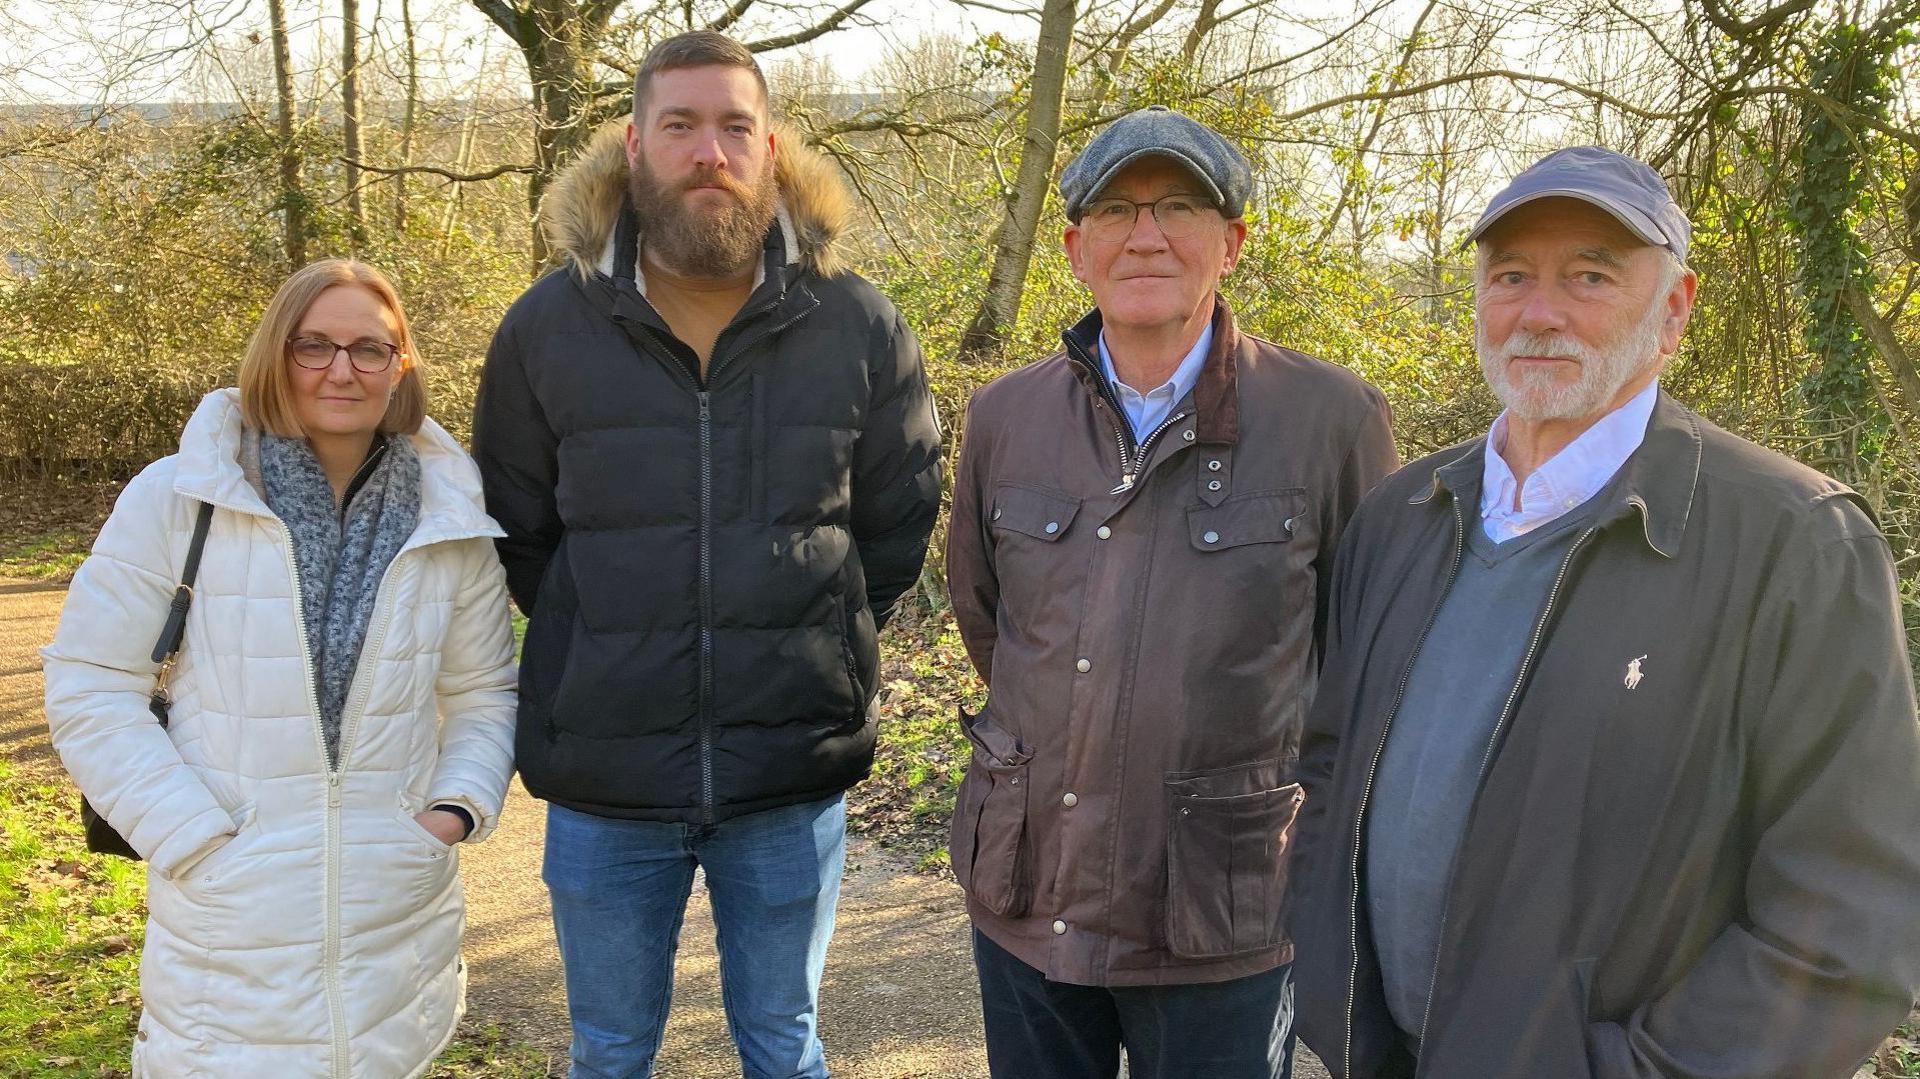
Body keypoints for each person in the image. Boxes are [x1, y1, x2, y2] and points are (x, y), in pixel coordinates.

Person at [1289, 146, 1920, 1078]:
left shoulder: (1796, 544)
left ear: (1673, 310)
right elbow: (1331, 762)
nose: (1539, 312)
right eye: (1511, 275)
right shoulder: (1403, 513)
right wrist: (1321, 969)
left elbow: (1851, 918)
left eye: (1589, 275)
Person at [470, 30, 941, 1079]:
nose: (709, 151)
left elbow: (896, 521)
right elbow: (519, 528)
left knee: (785, 1044)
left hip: (788, 768)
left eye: (734, 126)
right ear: (633, 146)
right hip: (605, 771)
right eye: (680, 125)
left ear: (772, 148)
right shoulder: (546, 327)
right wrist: (616, 631)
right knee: (607, 1051)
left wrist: (804, 625)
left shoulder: (857, 322)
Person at [944, 105, 1398, 1079]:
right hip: (1031, 896)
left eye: (1179, 207)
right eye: (1117, 209)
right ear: (1075, 246)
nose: (1146, 233)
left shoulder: (1331, 420)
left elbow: (1364, 660)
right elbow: (989, 619)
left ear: (1232, 240)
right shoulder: (1004, 417)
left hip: (1222, 913)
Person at [42, 257, 519, 1076]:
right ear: (275, 354)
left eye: (371, 348)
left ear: (400, 366)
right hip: (229, 925)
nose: (343, 368)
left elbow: (483, 690)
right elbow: (91, 685)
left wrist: (450, 810)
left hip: (393, 924)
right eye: (315, 345)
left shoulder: (451, 517)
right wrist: (195, 836)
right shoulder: (181, 498)